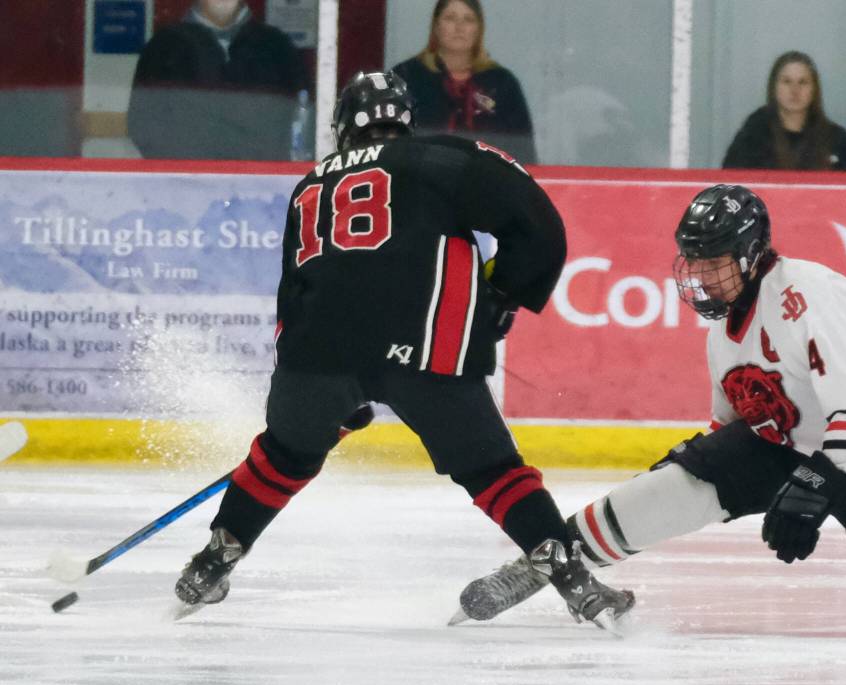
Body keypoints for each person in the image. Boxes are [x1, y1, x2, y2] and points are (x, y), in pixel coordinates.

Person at [173, 70, 634, 631]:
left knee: (283, 456)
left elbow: (296, 294)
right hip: (426, 349)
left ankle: (213, 560)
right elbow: (537, 222)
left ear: (343, 127)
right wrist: (502, 296)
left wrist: (317, 398)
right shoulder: (439, 158)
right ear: (405, 122)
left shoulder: (310, 185)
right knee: (492, 471)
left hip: (315, 352)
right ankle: (571, 577)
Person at [453, 184, 846, 639]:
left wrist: (812, 488)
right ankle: (540, 567)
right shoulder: (724, 334)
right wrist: (686, 481)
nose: (698, 275)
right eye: (691, 260)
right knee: (672, 487)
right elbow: (731, 432)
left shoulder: (807, 295)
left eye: (712, 260)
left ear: (750, 254)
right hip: (791, 446)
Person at [126, 0, 310, 160]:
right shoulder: (163, 48)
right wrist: (190, 170)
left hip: (261, 192)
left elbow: (305, 121)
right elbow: (142, 125)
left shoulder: (278, 48)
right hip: (182, 189)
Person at [391, 0, 537, 164]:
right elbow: (387, 144)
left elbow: (523, 154)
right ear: (436, 26)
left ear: (479, 29)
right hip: (421, 180)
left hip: (487, 182)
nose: (459, 27)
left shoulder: (502, 83)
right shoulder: (406, 77)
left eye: (468, 20)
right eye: (450, 18)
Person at [722, 51, 846, 171]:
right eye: (787, 81)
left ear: (814, 90)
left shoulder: (837, 140)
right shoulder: (752, 136)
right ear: (773, 87)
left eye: (803, 82)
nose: (794, 90)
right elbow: (731, 187)